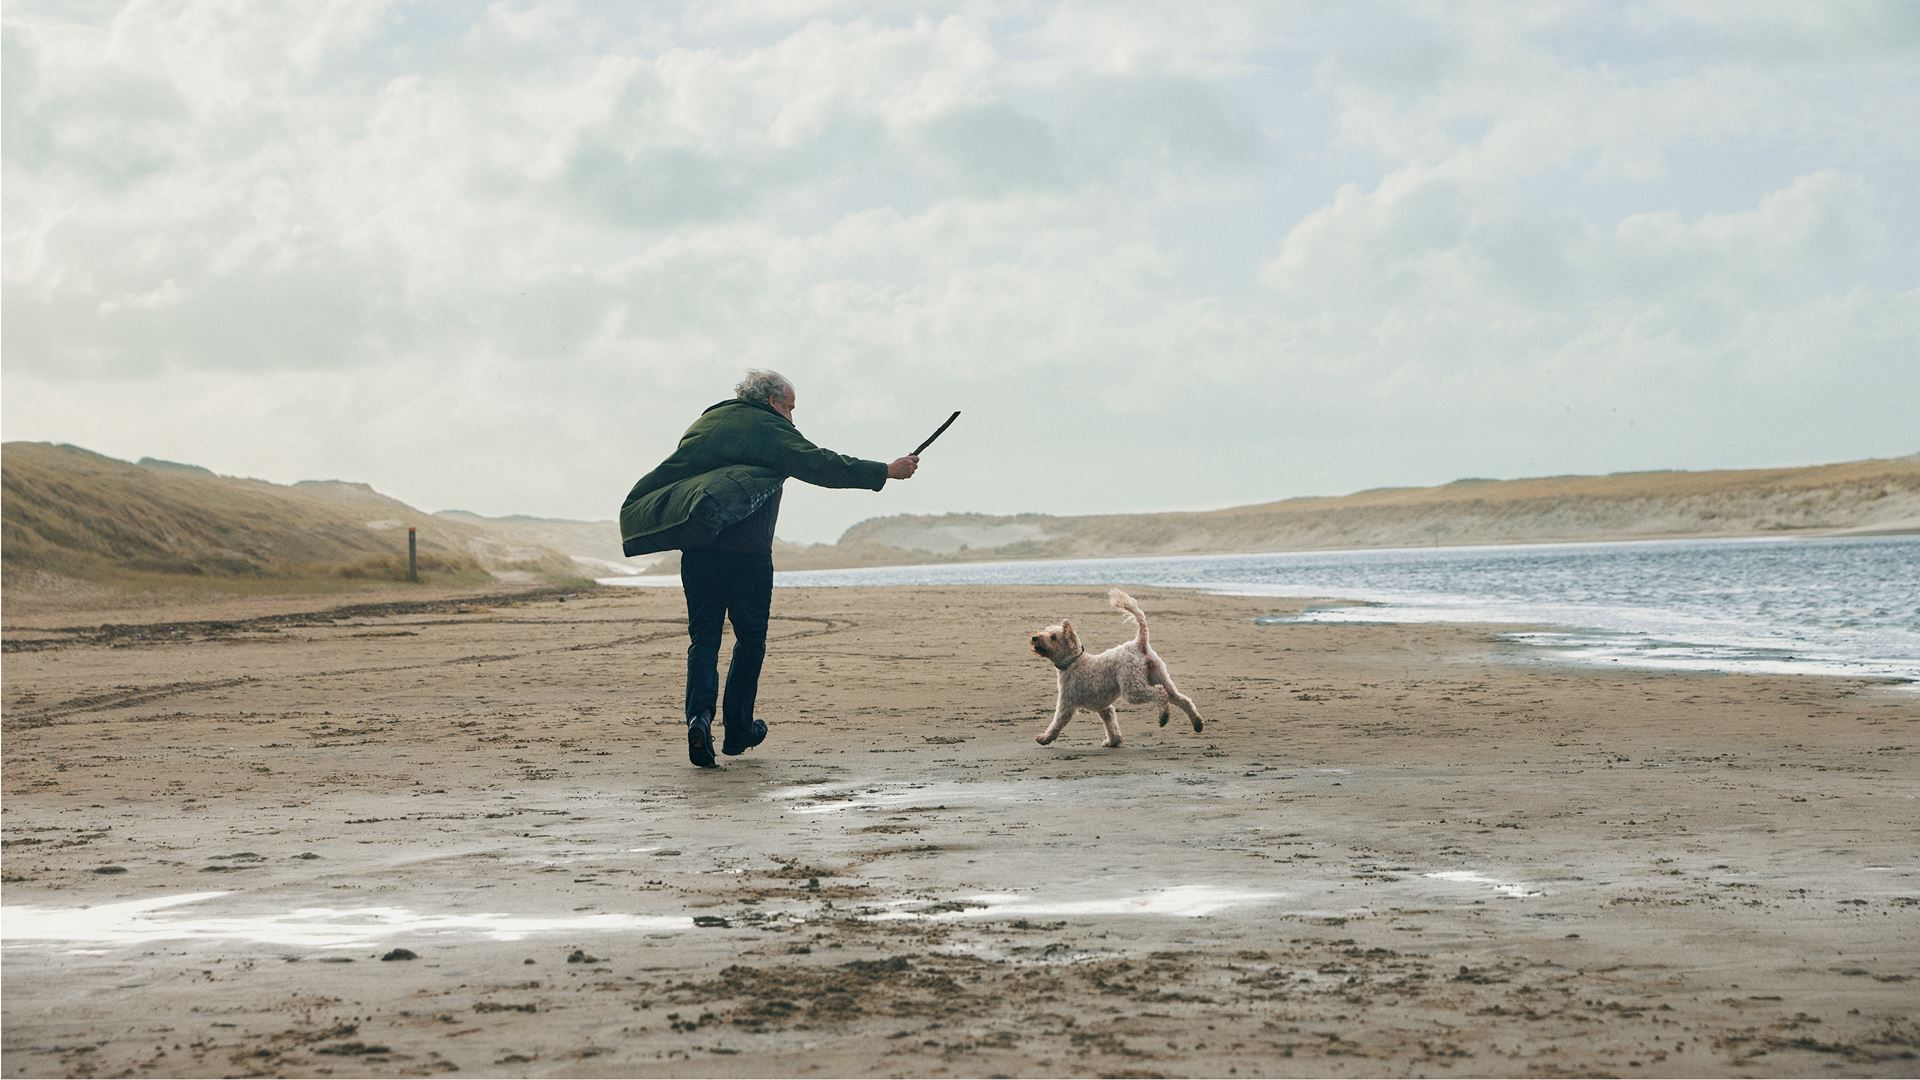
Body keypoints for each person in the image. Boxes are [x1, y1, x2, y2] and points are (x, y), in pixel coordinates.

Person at [619, 370, 919, 768]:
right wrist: (884, 470)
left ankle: (699, 718)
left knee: (704, 640)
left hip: (699, 552)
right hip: (748, 555)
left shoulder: (705, 423)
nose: (792, 417)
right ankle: (739, 728)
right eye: (790, 407)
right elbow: (821, 464)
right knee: (750, 641)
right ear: (772, 402)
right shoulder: (768, 428)